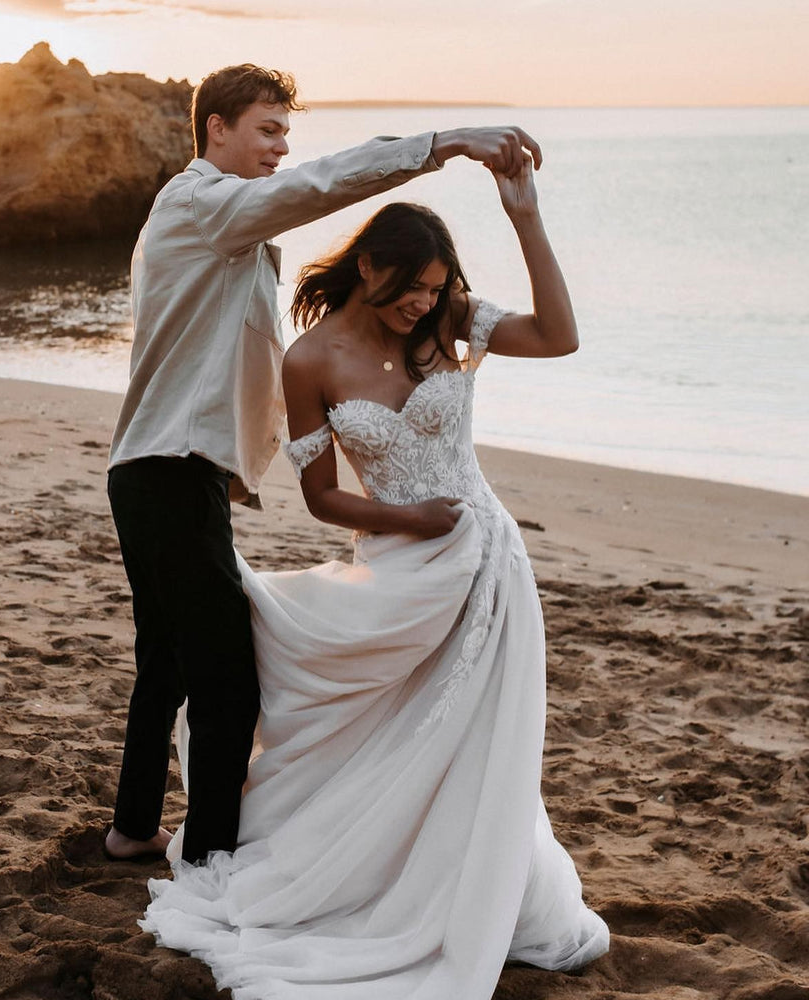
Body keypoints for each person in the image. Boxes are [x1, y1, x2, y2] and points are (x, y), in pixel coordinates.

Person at [140, 158, 610, 996]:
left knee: (478, 744)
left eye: (436, 288)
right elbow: (321, 499)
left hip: (488, 566)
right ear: (368, 265)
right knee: (395, 732)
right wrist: (407, 520)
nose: (424, 303)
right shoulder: (309, 362)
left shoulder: (449, 327)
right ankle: (384, 883)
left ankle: (474, 890)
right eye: (412, 286)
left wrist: (527, 216)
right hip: (402, 564)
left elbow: (561, 334)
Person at [104, 61, 545, 866]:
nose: (280, 147)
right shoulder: (200, 204)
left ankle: (132, 828)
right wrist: (443, 144)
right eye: (267, 129)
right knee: (228, 678)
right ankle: (210, 858)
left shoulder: (225, 232)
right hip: (165, 471)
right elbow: (319, 186)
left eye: (284, 132)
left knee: (164, 660)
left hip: (167, 472)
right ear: (217, 130)